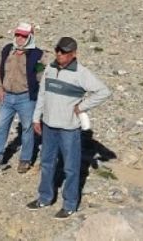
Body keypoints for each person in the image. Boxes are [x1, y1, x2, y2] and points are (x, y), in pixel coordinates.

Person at [27, 37, 111, 219]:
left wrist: (82, 107)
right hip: (48, 126)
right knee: (47, 164)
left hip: (69, 130)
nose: (59, 54)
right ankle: (45, 198)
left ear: (73, 54)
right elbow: (42, 93)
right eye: (58, 50)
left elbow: (104, 91)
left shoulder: (81, 73)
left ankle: (70, 204)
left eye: (63, 52)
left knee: (71, 168)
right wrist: (36, 118)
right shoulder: (50, 68)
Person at [0, 22, 44, 174]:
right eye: (17, 34)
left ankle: (25, 159)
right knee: (0, 126)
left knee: (27, 128)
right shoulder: (7, 50)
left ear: (30, 37)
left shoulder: (38, 55)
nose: (19, 38)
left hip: (26, 99)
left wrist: (40, 98)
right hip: (7, 97)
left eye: (23, 36)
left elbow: (41, 78)